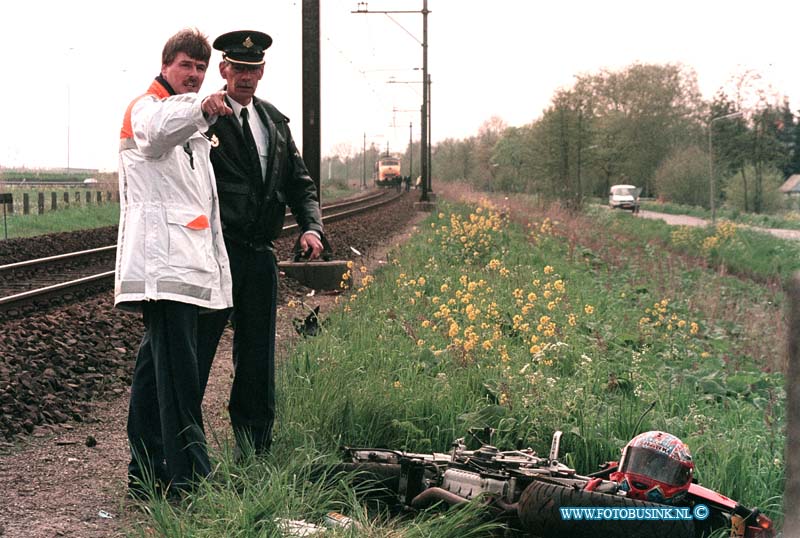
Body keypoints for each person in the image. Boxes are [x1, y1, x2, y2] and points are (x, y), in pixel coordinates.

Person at [115, 27, 235, 497]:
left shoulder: (192, 131)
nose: (194, 75)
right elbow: (156, 131)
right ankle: (191, 481)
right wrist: (202, 107)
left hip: (182, 271)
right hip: (163, 273)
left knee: (153, 377)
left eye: (201, 68)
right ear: (166, 65)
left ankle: (145, 475)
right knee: (179, 381)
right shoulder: (146, 109)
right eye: (186, 65)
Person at [202, 30, 324, 456]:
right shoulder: (204, 117)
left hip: (258, 256)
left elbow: (300, 184)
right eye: (238, 68)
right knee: (199, 352)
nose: (246, 77)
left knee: (257, 359)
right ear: (224, 70)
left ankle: (255, 449)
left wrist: (312, 228)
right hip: (216, 254)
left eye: (254, 69)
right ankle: (183, 452)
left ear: (263, 72)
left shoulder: (273, 123)